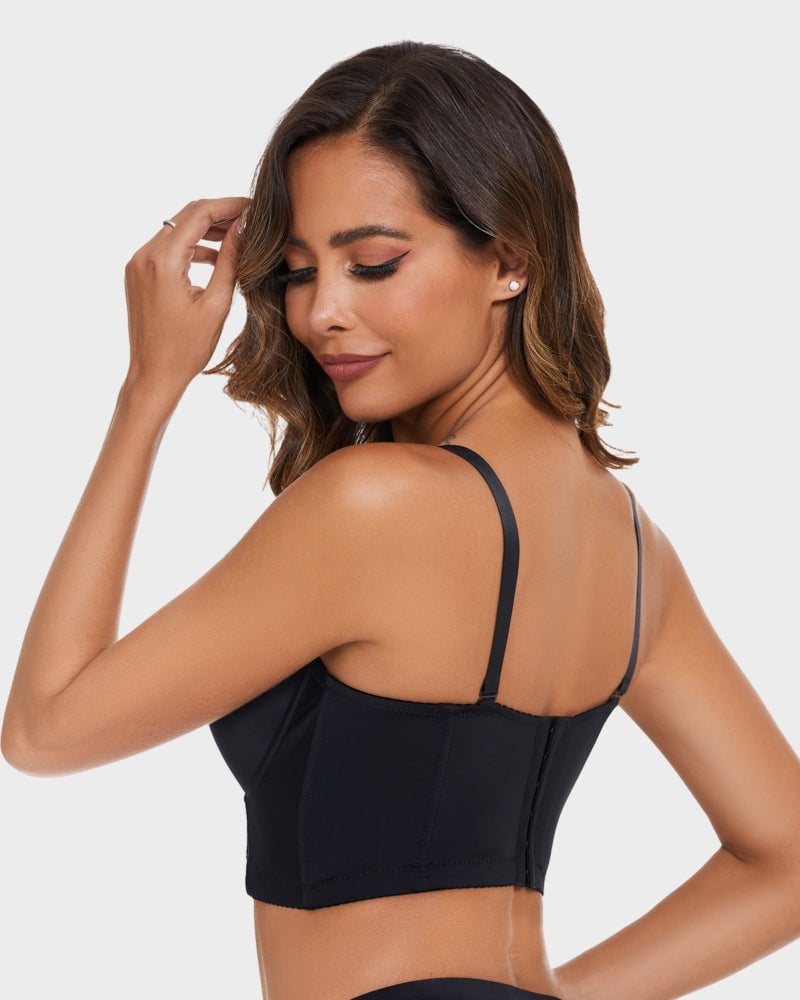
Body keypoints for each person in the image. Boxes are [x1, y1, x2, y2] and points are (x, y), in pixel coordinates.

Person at [2, 38, 799, 1000]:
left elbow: (45, 727)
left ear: (509, 259)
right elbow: (787, 863)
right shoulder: (634, 549)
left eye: (373, 263)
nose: (320, 313)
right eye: (298, 271)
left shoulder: (374, 505)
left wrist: (148, 389)